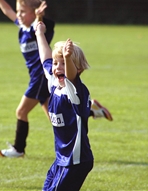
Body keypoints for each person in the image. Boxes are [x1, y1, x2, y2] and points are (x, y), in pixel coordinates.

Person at [0, 0, 112, 158]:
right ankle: (93, 110)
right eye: (18, 11)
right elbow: (7, 11)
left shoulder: (38, 28)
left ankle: (18, 149)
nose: (18, 14)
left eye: (23, 11)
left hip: (43, 77)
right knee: (55, 117)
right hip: (37, 78)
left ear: (34, 12)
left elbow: (44, 26)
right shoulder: (23, 27)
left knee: (21, 111)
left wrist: (39, 18)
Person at [35, 20, 94, 191]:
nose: (57, 67)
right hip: (62, 159)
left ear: (78, 69)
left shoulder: (75, 91)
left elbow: (71, 77)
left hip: (75, 161)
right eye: (56, 63)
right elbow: (45, 57)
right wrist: (39, 33)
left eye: (63, 63)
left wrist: (67, 58)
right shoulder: (54, 83)